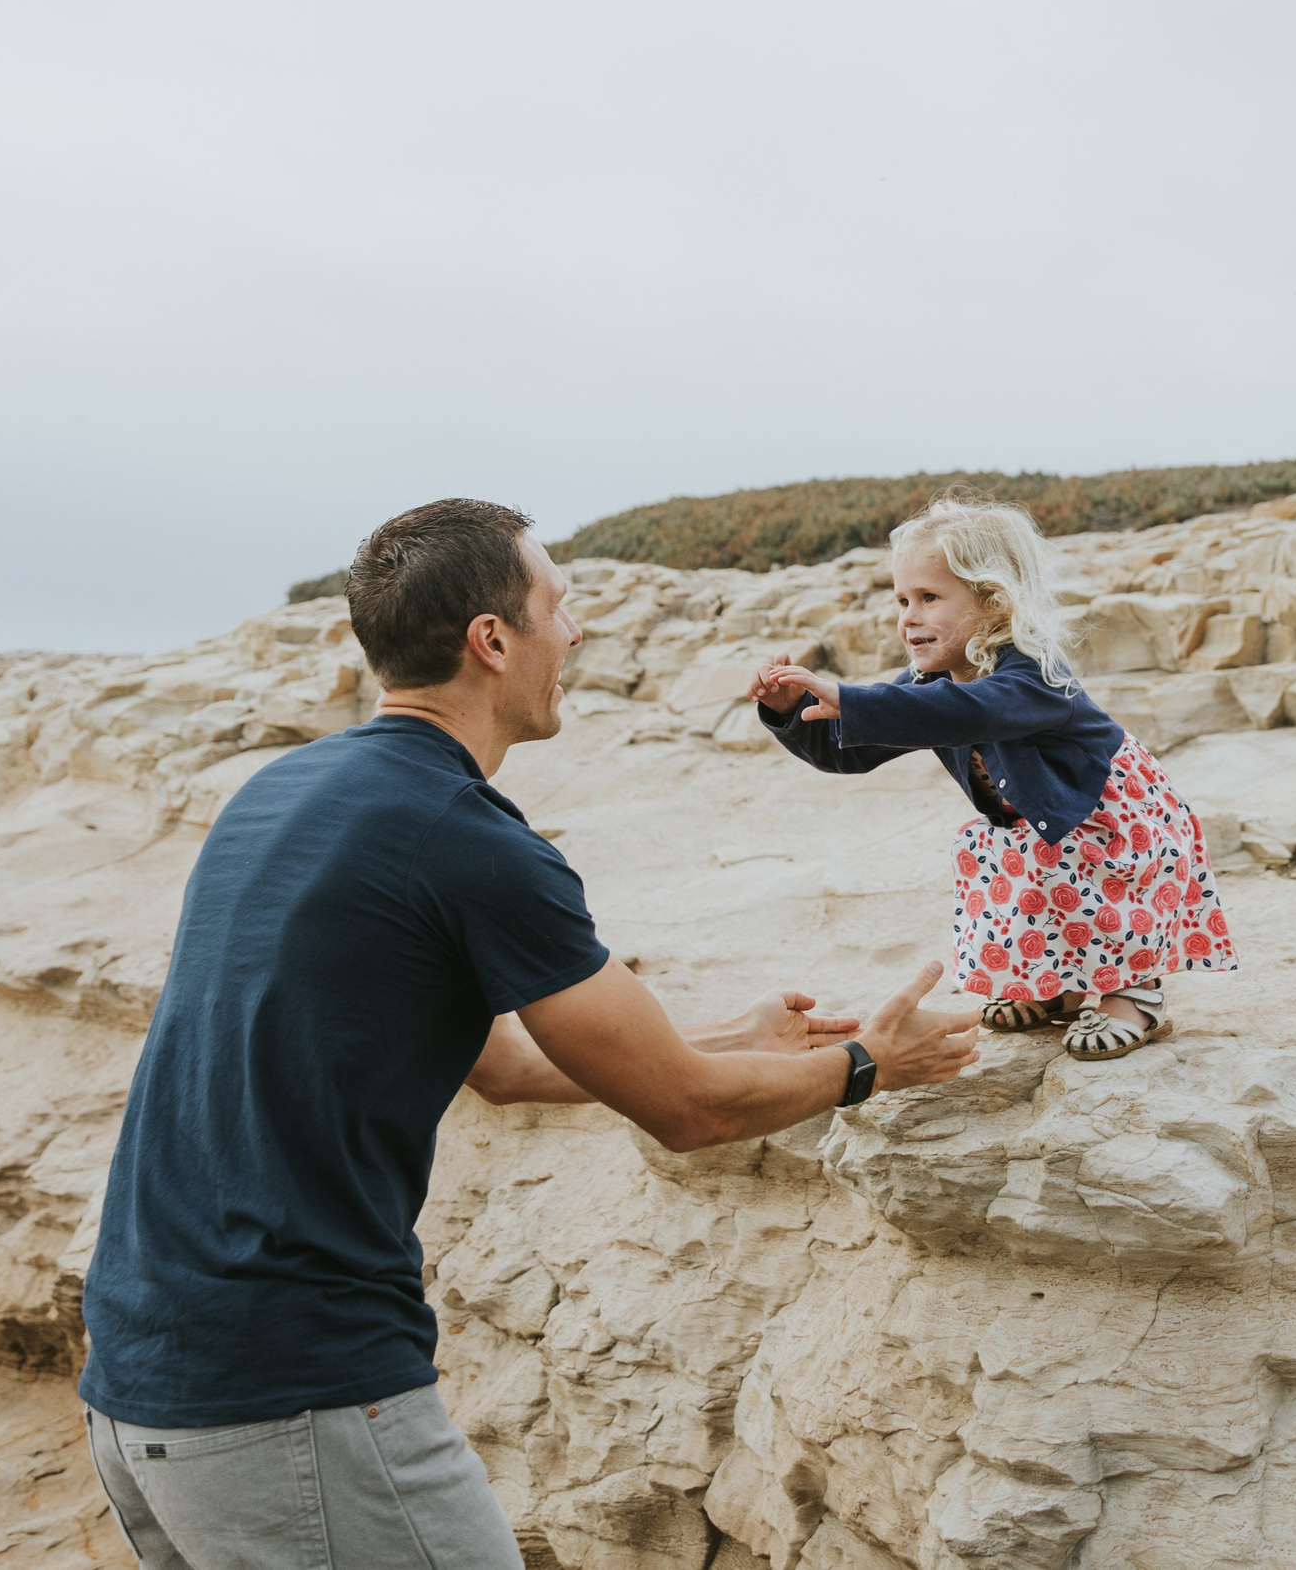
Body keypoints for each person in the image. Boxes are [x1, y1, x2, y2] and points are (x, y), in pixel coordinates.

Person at [76, 498, 980, 1570]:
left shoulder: (278, 795)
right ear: (492, 641)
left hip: (138, 1384)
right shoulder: (466, 837)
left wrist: (725, 1036)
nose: (576, 630)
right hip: (291, 1396)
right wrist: (874, 1063)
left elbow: (499, 1067)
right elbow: (685, 1114)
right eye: (557, 604)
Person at [751, 494, 1237, 1061]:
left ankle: (1133, 994)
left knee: (1097, 896)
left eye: (930, 598)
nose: (909, 617)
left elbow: (976, 710)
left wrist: (859, 699)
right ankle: (1055, 987)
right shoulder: (927, 685)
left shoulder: (1034, 671)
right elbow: (848, 751)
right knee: (1023, 885)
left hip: (1109, 822)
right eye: (902, 600)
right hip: (1041, 824)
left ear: (995, 601)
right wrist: (790, 711)